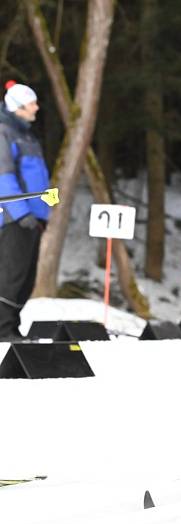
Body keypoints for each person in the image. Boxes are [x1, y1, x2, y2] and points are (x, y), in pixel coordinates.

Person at [0, 81, 50, 340]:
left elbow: (39, 179)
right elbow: (3, 178)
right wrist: (21, 214)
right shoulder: (3, 132)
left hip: (34, 218)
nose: (36, 107)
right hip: (13, 218)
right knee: (11, 275)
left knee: (27, 278)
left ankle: (12, 326)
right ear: (18, 106)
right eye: (32, 103)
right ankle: (2, 329)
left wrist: (45, 213)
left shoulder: (28, 135)